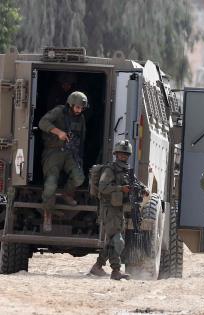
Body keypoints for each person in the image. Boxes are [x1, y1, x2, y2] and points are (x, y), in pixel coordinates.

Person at [89, 140, 145, 280]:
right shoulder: (110, 170)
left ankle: (98, 266)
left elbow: (136, 183)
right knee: (117, 240)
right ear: (116, 154)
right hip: (109, 209)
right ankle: (116, 271)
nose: (123, 156)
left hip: (118, 209)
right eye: (121, 154)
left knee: (112, 241)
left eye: (126, 154)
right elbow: (103, 187)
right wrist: (120, 189)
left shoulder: (126, 170)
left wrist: (143, 189)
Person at [38, 91, 88, 231]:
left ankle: (67, 193)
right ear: (71, 104)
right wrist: (58, 132)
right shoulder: (59, 111)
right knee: (50, 184)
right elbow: (42, 122)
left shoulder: (81, 118)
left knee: (79, 178)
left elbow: (82, 139)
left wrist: (80, 157)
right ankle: (48, 213)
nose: (79, 110)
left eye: (82, 108)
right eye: (77, 107)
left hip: (70, 153)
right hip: (53, 152)